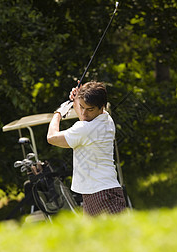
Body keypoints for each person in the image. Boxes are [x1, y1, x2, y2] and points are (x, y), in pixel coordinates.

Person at [47, 81, 127, 216]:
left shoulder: (85, 129)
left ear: (101, 107)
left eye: (89, 109)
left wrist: (58, 113)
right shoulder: (106, 119)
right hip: (99, 192)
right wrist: (77, 98)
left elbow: (51, 137)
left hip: (101, 194)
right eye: (82, 107)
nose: (84, 112)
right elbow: (84, 119)